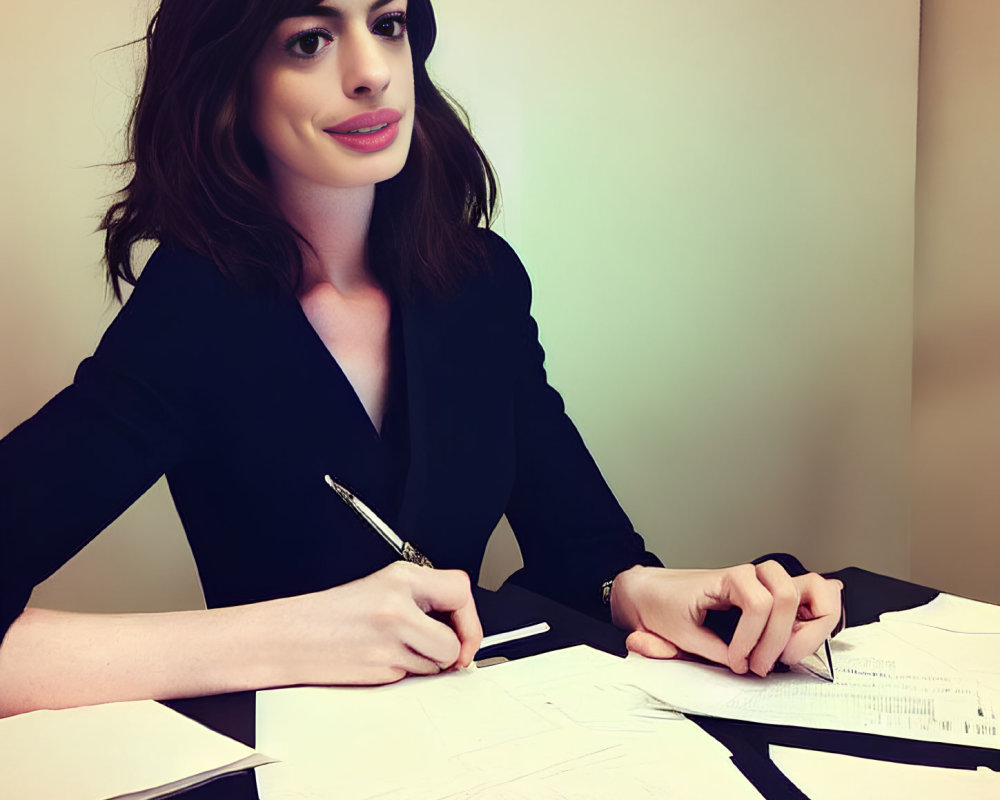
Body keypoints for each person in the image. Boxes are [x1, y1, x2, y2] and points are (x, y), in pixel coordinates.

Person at [0, 0, 842, 717]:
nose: (372, 72)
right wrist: (284, 635)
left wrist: (643, 591)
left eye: (390, 23)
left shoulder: (477, 283)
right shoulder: (196, 310)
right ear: (230, 83)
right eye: (309, 39)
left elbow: (580, 545)